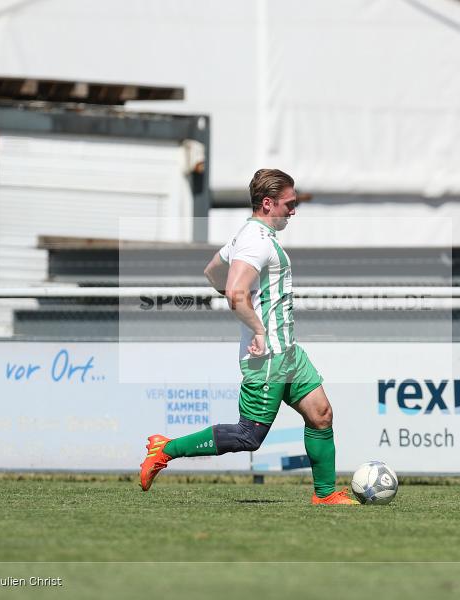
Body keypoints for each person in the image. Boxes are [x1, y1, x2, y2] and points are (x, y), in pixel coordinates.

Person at [138, 168, 358, 505]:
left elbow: (213, 270)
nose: (294, 210)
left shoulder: (252, 235)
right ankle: (164, 449)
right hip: (268, 356)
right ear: (268, 203)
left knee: (321, 414)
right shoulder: (255, 240)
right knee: (248, 436)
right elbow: (235, 293)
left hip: (289, 353)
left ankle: (325, 494)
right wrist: (257, 329)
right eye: (289, 204)